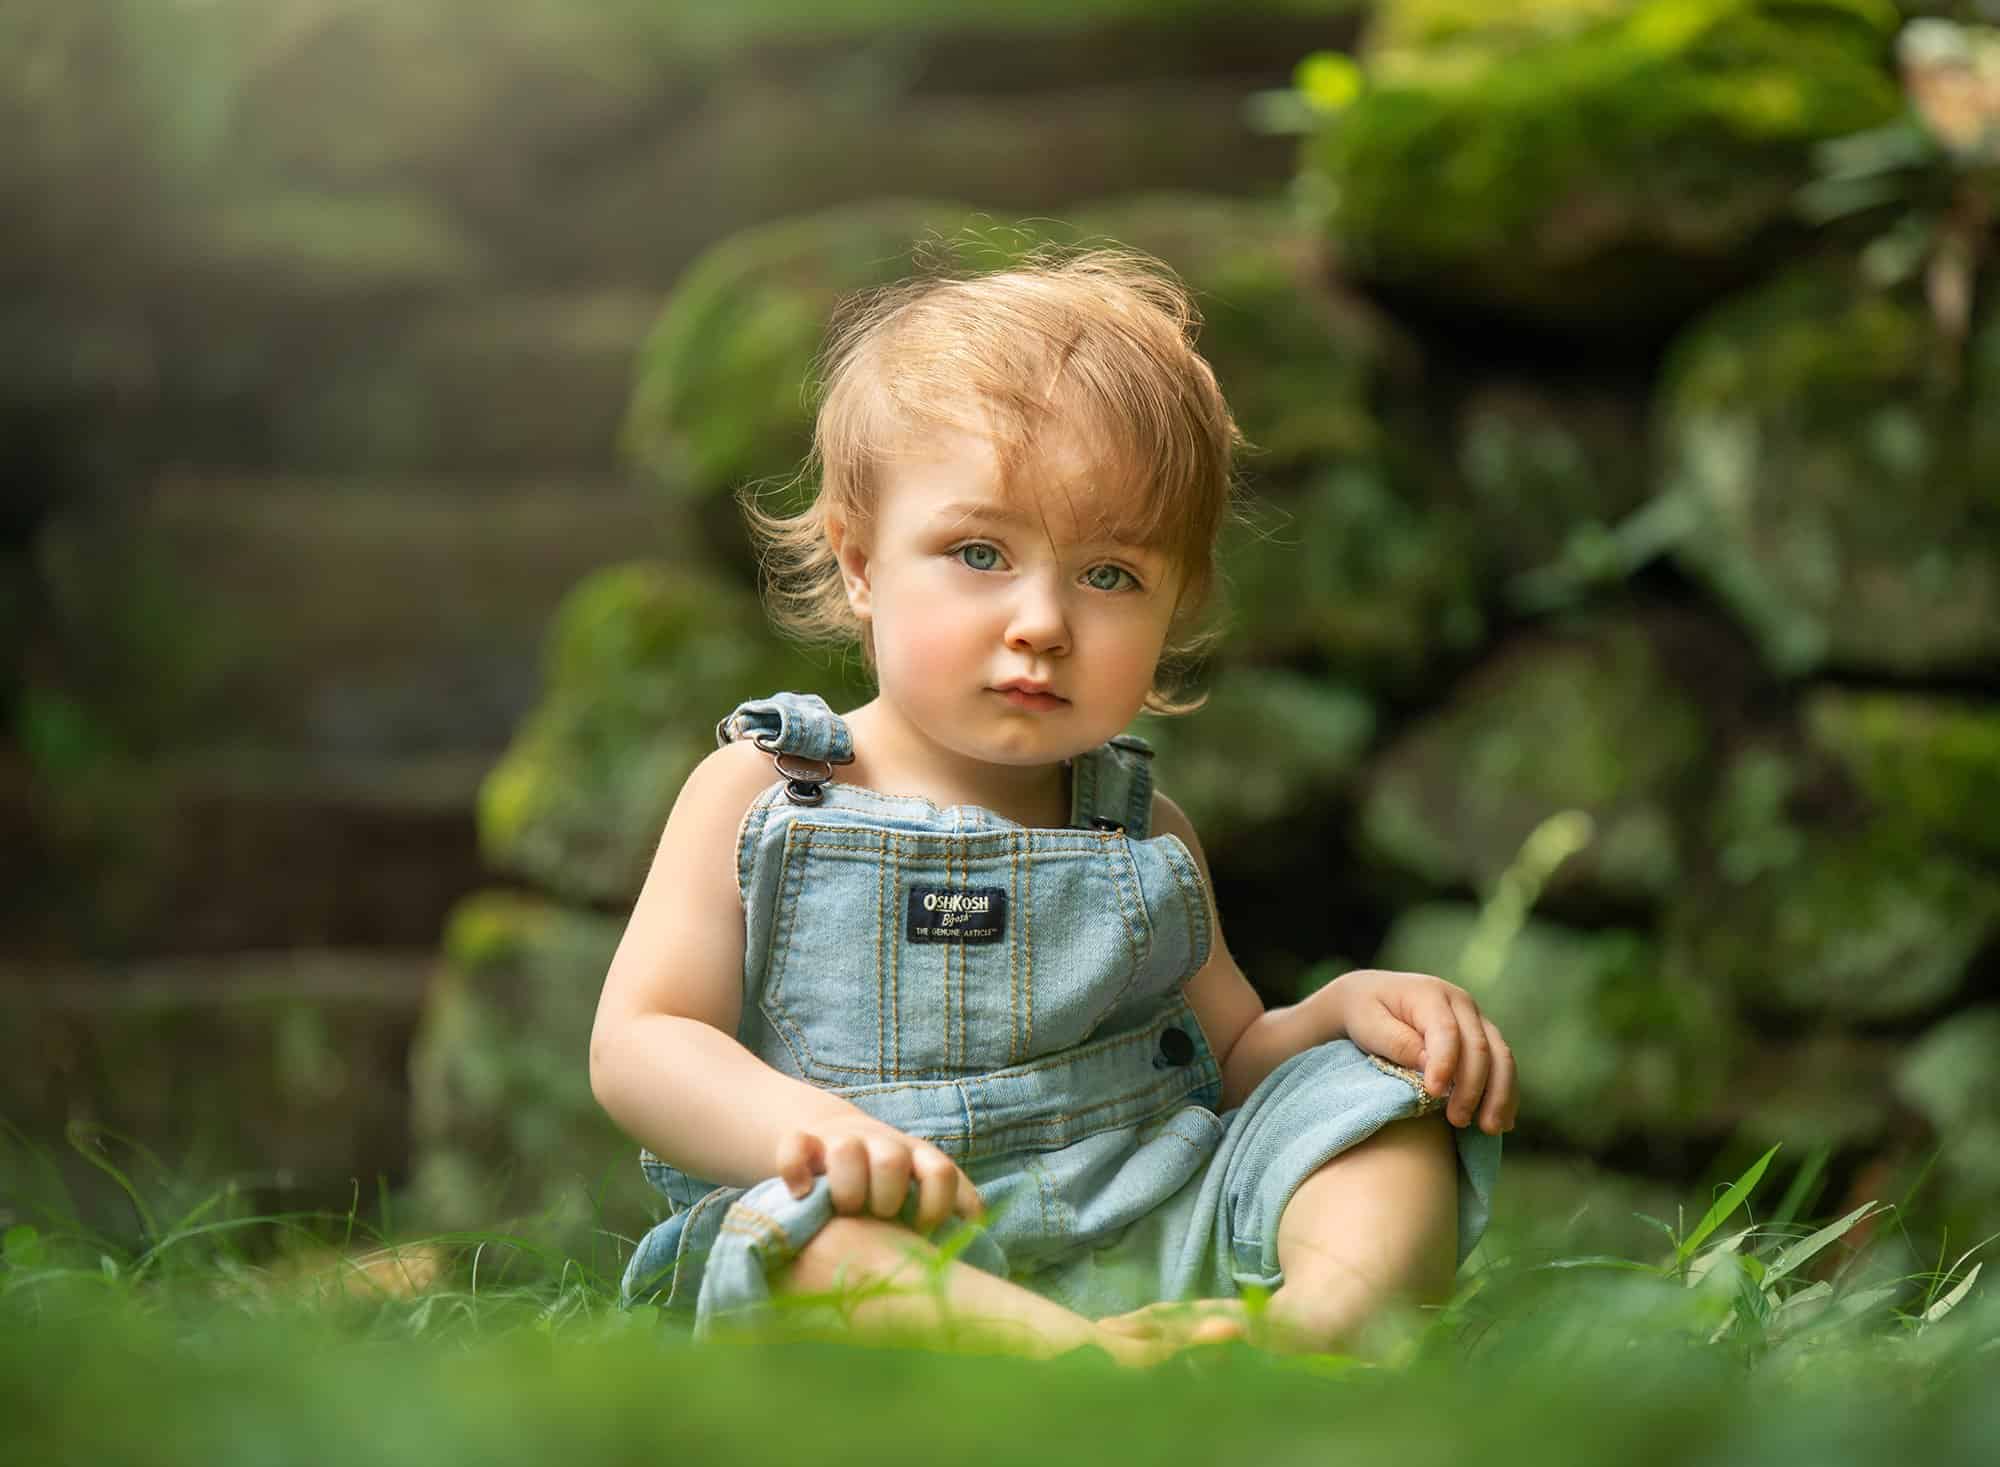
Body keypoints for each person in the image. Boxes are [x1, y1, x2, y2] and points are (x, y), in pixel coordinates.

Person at [588, 244, 1512, 1364]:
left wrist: (1335, 1019)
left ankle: (1309, 1335)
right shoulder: (768, 793)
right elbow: (643, 1042)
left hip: (1147, 1216)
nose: (1041, 620)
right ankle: (1083, 1367)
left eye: (1110, 574)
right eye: (978, 552)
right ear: (860, 561)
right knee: (800, 1252)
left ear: (1175, 604)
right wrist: (812, 1133)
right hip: (899, 1240)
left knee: (1375, 1108)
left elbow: (1226, 1063)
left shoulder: (1136, 829)